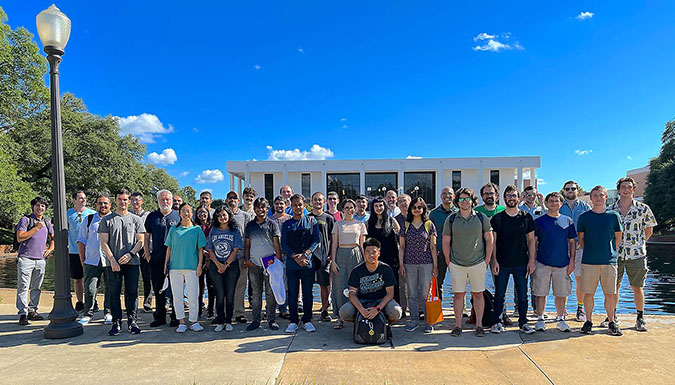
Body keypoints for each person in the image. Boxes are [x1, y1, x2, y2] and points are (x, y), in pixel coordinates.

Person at [442, 187, 493, 337]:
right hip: (457, 263)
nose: (464, 202)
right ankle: (458, 325)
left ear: (472, 200)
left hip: (478, 262)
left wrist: (487, 260)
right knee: (459, 295)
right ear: (457, 202)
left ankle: (478, 325)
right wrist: (448, 261)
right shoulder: (451, 219)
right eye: (461, 199)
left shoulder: (481, 217)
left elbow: (489, 239)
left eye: (467, 199)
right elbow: (446, 241)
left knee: (478, 294)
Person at [609, 177, 657, 332]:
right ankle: (612, 316)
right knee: (613, 287)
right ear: (619, 189)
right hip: (615, 255)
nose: (626, 190)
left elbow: (649, 229)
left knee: (637, 287)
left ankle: (640, 318)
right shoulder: (611, 209)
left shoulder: (643, 209)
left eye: (629, 187)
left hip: (636, 255)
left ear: (634, 189)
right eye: (623, 187)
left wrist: (639, 244)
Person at [490, 185, 536, 335]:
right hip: (502, 263)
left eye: (514, 195)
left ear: (519, 198)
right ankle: (497, 322)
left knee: (523, 294)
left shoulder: (526, 217)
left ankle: (523, 322)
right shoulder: (497, 218)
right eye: (508, 196)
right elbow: (493, 242)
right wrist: (494, 261)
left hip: (521, 262)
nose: (511, 198)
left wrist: (532, 261)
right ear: (504, 199)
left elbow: (531, 241)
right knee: (499, 294)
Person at [577, 185, 623, 336]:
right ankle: (588, 321)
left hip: (609, 262)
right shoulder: (584, 217)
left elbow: (618, 237)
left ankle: (611, 322)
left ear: (605, 197)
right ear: (591, 198)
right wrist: (591, 250)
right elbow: (581, 239)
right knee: (588, 293)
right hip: (589, 261)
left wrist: (610, 251)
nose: (598, 198)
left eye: (601, 195)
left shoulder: (613, 216)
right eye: (595, 195)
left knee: (610, 294)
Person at [99, 188, 145, 336]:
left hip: (132, 262)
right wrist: (112, 259)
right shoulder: (107, 220)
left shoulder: (136, 219)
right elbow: (103, 242)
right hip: (113, 263)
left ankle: (132, 321)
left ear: (129, 201)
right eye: (120, 199)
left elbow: (141, 241)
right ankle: (116, 322)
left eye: (126, 199)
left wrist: (131, 254)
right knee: (114, 293)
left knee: (132, 293)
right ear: (115, 200)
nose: (123, 202)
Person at [532, 192, 577, 333]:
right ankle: (540, 319)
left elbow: (572, 242)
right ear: (546, 203)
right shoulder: (539, 221)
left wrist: (572, 261)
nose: (553, 203)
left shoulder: (568, 221)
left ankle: (560, 319)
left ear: (561, 203)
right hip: (542, 262)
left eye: (556, 201)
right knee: (540, 292)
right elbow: (533, 242)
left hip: (562, 263)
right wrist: (532, 261)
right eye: (551, 201)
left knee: (561, 293)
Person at [338, 237, 403, 325]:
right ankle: (360, 322)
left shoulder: (386, 269)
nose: (371, 255)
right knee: (344, 312)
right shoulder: (357, 270)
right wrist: (361, 310)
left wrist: (377, 309)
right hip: (362, 301)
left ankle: (384, 323)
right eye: (368, 252)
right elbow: (352, 294)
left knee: (396, 312)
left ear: (378, 253)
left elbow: (390, 294)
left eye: (374, 252)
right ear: (364, 253)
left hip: (381, 301)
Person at [164, 202, 207, 333]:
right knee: (177, 296)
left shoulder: (197, 230)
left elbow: (201, 249)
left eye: (188, 211)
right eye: (183, 211)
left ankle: (194, 321)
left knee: (193, 295)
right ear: (179, 213)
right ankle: (181, 321)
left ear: (192, 214)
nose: (186, 213)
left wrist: (200, 265)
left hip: (192, 267)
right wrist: (165, 265)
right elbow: (169, 249)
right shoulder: (173, 230)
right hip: (175, 268)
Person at [281, 194, 321, 333]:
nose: (297, 207)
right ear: (291, 207)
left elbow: (316, 241)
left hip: (307, 263)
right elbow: (284, 244)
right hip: (292, 264)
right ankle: (293, 320)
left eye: (300, 205)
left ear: (304, 206)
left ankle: (307, 320)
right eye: (295, 205)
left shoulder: (311, 221)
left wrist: (306, 255)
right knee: (292, 293)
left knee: (307, 293)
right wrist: (294, 256)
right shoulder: (287, 224)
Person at [399, 196, 438, 333]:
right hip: (409, 263)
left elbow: (433, 247)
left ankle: (428, 321)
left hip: (426, 263)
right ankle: (414, 320)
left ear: (423, 209)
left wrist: (435, 266)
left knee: (425, 293)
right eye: (414, 207)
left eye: (419, 207)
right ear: (411, 209)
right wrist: (401, 265)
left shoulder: (429, 225)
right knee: (412, 293)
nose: (416, 210)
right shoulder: (405, 225)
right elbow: (402, 247)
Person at [244, 197, 282, 331]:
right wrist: (247, 260)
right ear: (254, 209)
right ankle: (256, 320)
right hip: (254, 263)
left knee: (271, 293)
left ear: (267, 208)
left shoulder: (272, 224)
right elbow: (247, 244)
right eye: (258, 207)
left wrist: (278, 261)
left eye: (263, 207)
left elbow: (277, 244)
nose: (260, 209)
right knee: (256, 293)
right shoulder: (250, 225)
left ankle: (271, 319)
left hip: (270, 263)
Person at [144, 189, 181, 328]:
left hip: (175, 259)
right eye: (162, 200)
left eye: (167, 200)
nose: (165, 202)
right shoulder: (152, 217)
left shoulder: (178, 216)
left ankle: (176, 317)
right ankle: (159, 316)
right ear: (158, 201)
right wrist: (147, 254)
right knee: (159, 289)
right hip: (157, 259)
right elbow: (146, 236)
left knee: (175, 289)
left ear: (171, 201)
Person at [15, 196, 54, 325]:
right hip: (25, 258)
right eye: (38, 205)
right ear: (33, 207)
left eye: (43, 206)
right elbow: (20, 237)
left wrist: (50, 249)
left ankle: (32, 310)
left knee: (36, 287)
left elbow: (53, 237)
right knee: (23, 287)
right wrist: (36, 228)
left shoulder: (47, 222)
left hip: (41, 260)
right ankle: (22, 313)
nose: (40, 208)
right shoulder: (26, 220)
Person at [330, 199, 367, 329]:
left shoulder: (360, 224)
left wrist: (365, 261)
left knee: (356, 286)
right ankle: (340, 317)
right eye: (347, 207)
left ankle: (358, 315)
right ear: (342, 209)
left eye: (352, 207)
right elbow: (334, 244)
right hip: (341, 255)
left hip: (356, 254)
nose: (350, 210)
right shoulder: (338, 224)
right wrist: (333, 261)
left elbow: (363, 244)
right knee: (340, 285)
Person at [76, 194, 113, 325]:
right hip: (92, 260)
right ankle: (88, 313)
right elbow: (81, 241)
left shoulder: (115, 219)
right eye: (100, 203)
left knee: (110, 288)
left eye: (105, 203)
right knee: (90, 289)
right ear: (96, 205)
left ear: (110, 205)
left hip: (110, 260)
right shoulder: (89, 219)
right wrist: (83, 260)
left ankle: (108, 312)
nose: (103, 206)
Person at [206, 206, 242, 332]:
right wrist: (218, 264)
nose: (222, 217)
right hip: (215, 266)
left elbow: (236, 249)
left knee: (230, 294)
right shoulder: (213, 230)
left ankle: (228, 320)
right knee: (219, 294)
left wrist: (226, 264)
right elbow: (209, 248)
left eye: (224, 215)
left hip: (231, 266)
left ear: (229, 216)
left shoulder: (235, 230)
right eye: (219, 215)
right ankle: (220, 321)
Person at [559, 180, 591, 322]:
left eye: (573, 188)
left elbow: (589, 228)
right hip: (562, 248)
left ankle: (580, 308)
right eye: (567, 189)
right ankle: (562, 309)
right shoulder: (559, 206)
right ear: (564, 191)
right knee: (562, 279)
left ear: (577, 190)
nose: (570, 191)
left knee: (580, 279)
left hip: (580, 248)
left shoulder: (585, 207)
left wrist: (581, 243)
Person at [366, 197, 402, 311]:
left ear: (384, 207)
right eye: (376, 206)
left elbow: (401, 240)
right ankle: (378, 308)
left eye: (381, 206)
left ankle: (395, 309)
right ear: (373, 208)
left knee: (392, 283)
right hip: (375, 258)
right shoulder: (369, 223)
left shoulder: (392, 221)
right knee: (376, 283)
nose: (378, 208)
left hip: (391, 258)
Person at [516, 185, 545, 316]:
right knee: (521, 278)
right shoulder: (520, 208)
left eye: (533, 194)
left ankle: (536, 308)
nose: (531, 197)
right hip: (522, 248)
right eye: (528, 194)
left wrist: (542, 202)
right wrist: (520, 200)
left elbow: (547, 216)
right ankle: (518, 307)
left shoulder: (540, 209)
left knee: (536, 278)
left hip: (538, 248)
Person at [226, 190, 255, 324]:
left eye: (234, 198)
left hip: (240, 257)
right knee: (225, 286)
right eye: (229, 198)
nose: (232, 200)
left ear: (239, 200)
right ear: (226, 200)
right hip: (224, 258)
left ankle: (239, 313)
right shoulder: (221, 215)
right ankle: (225, 313)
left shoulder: (245, 216)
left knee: (240, 285)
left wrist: (247, 257)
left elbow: (248, 238)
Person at [308, 192, 335, 322]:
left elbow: (332, 238)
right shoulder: (307, 217)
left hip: (324, 258)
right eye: (315, 200)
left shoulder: (328, 218)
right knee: (308, 285)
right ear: (311, 202)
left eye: (320, 200)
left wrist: (331, 254)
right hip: (310, 257)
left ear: (324, 202)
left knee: (324, 285)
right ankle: (308, 311)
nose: (317, 202)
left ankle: (324, 310)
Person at [67, 190, 96, 312]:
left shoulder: (92, 214)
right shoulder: (68, 214)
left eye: (84, 198)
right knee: (78, 278)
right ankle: (80, 301)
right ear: (74, 200)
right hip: (73, 251)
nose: (83, 200)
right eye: (80, 198)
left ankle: (93, 301)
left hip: (89, 251)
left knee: (91, 278)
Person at [429, 187, 458, 302]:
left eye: (450, 193)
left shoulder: (458, 213)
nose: (447, 196)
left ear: (454, 196)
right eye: (444, 194)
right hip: (439, 252)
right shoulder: (434, 214)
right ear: (441, 196)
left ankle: (462, 309)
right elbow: (431, 235)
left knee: (458, 283)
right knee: (438, 282)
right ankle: (437, 307)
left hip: (456, 253)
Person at [130, 191, 153, 313]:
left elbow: (150, 233)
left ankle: (147, 302)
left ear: (142, 201)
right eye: (132, 200)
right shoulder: (127, 215)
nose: (135, 202)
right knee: (132, 277)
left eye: (137, 200)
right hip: (131, 249)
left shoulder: (148, 215)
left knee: (147, 277)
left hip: (144, 249)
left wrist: (147, 248)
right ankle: (131, 302)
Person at [393, 193, 413, 317]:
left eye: (404, 201)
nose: (402, 204)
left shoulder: (416, 217)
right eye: (399, 201)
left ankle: (418, 310)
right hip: (401, 254)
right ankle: (403, 309)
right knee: (402, 285)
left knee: (416, 285)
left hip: (416, 255)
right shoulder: (396, 219)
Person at [195, 205, 214, 319]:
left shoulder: (212, 226)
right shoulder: (194, 226)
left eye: (204, 212)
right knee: (199, 286)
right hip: (197, 259)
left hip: (211, 258)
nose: (202, 215)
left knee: (211, 286)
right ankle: (198, 309)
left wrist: (208, 256)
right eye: (199, 213)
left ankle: (211, 309)